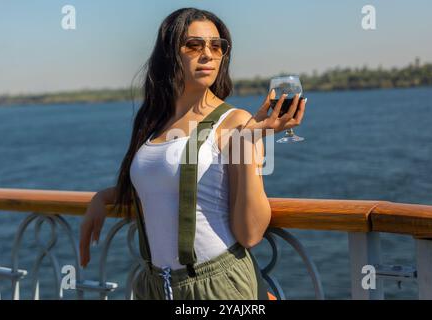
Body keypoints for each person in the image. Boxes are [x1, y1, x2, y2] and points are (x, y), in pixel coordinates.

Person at [79, 7, 306, 300]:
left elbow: (250, 233)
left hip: (217, 286)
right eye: (193, 45)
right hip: (155, 286)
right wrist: (103, 198)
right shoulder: (154, 122)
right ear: (169, 53)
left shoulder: (236, 122)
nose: (208, 54)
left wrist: (250, 142)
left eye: (216, 46)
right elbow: (161, 184)